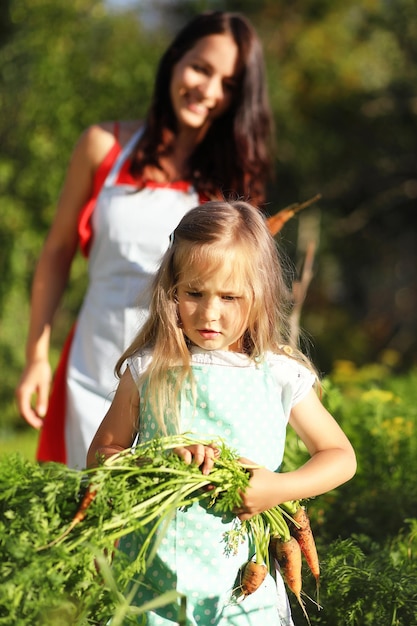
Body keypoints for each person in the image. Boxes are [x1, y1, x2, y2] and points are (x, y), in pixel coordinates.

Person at [15, 11, 275, 469]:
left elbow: (241, 294)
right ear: (174, 60)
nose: (209, 90)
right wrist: (37, 355)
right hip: (90, 369)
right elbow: (57, 253)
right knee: (82, 517)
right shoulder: (102, 146)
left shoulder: (232, 181)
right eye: (200, 68)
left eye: (228, 84)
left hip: (179, 385)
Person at [87, 200, 356, 626]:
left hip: (243, 597)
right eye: (194, 293)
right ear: (172, 289)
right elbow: (102, 453)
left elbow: (340, 456)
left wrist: (280, 487)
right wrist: (151, 461)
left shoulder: (278, 373)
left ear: (260, 294)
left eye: (229, 297)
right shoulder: (150, 369)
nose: (210, 313)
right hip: (151, 592)